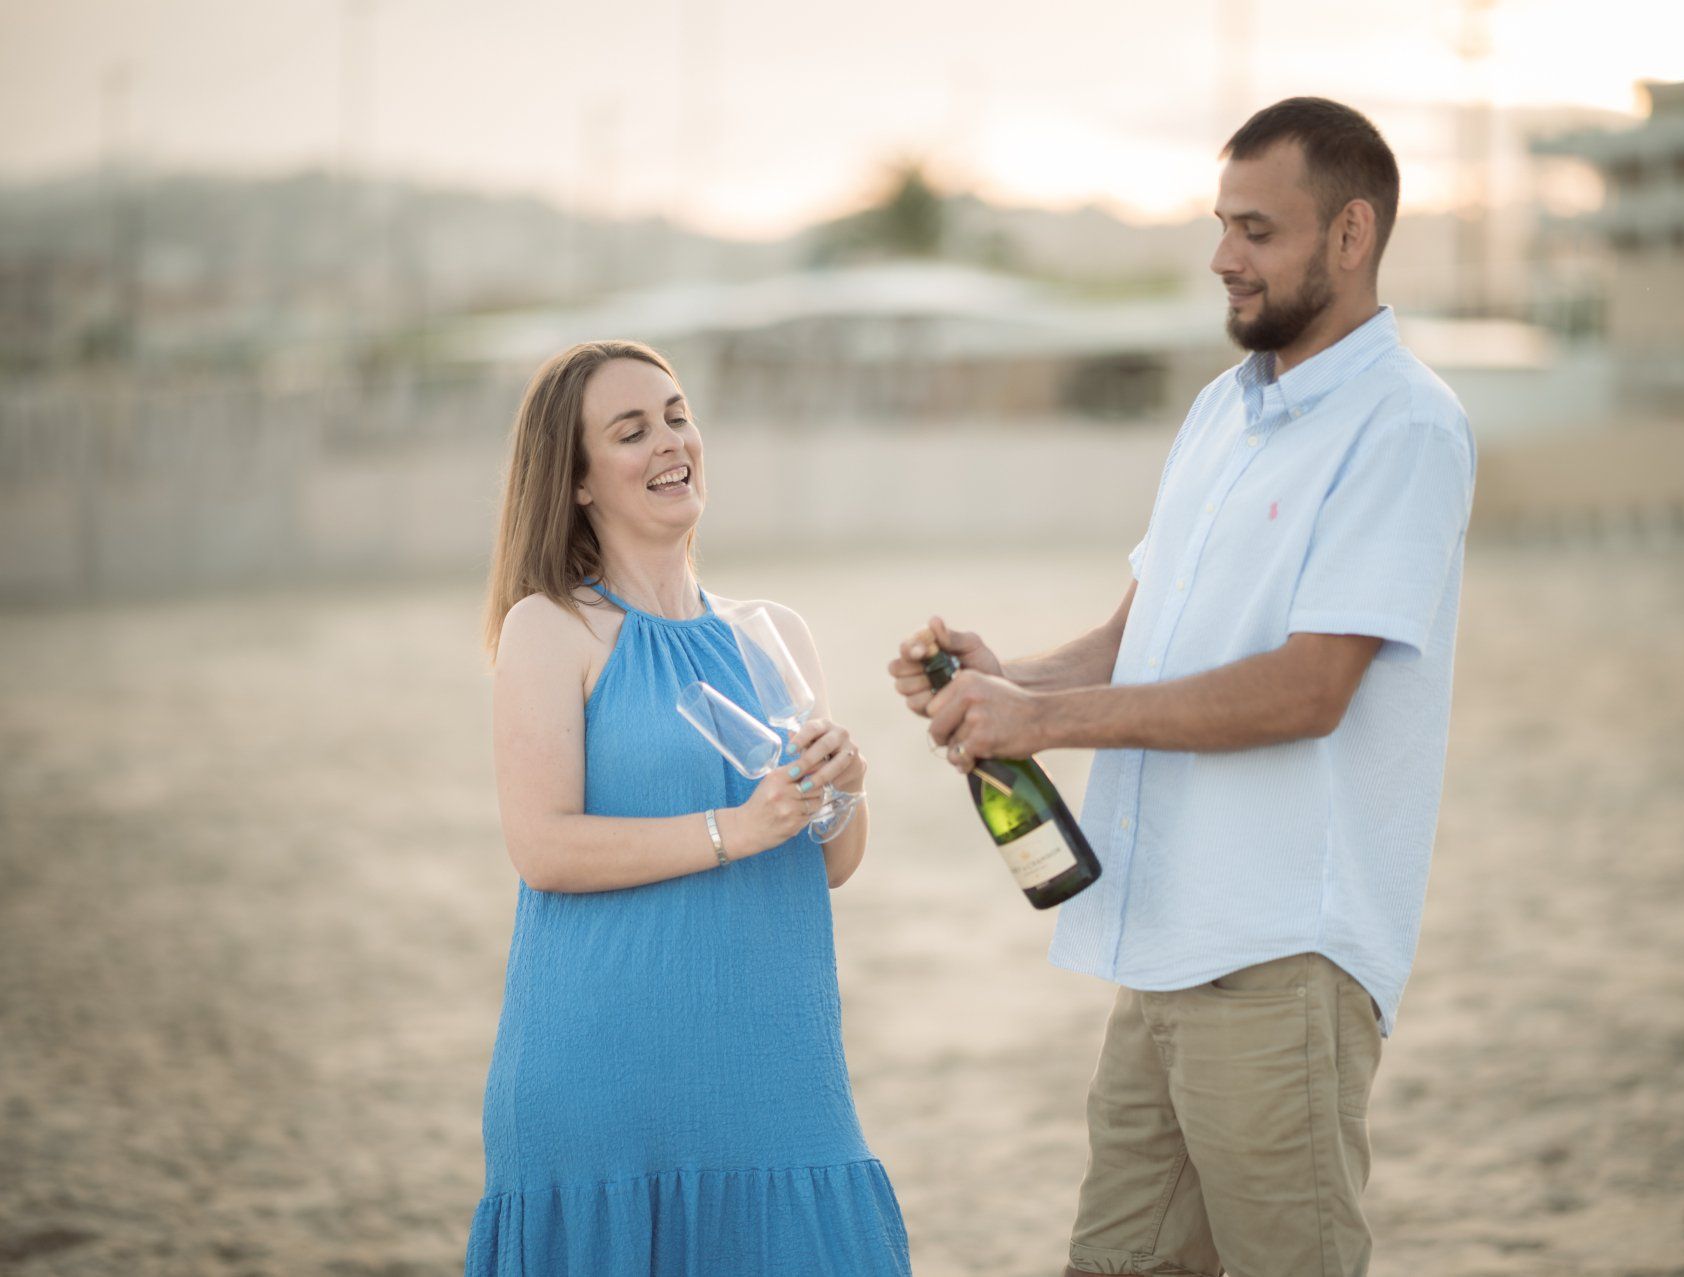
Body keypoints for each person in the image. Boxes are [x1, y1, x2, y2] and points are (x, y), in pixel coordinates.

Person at [889, 98, 1474, 1277]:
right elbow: (1141, 631)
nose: (1222, 257)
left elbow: (1309, 688)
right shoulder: (1223, 410)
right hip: (1154, 949)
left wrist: (1045, 721)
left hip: (1280, 960)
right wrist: (1013, 677)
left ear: (1352, 234)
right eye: (1221, 225)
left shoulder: (1405, 426)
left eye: (1258, 230)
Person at [466, 339, 911, 1276]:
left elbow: (831, 860)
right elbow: (541, 847)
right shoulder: (550, 627)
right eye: (631, 431)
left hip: (776, 1071)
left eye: (677, 415)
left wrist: (845, 791)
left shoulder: (773, 632)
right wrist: (734, 830)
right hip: (607, 1073)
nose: (671, 442)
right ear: (579, 481)